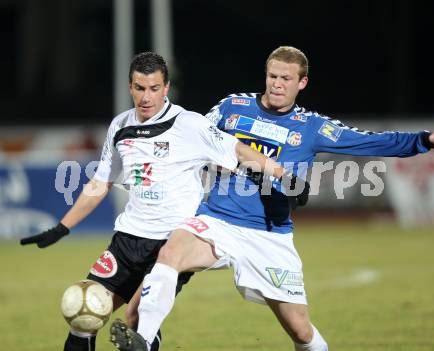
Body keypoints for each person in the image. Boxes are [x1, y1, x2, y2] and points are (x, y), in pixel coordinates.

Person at [109, 46, 434, 351]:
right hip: (216, 220)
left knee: (300, 332)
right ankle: (143, 340)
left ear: (302, 82)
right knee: (172, 251)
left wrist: (424, 140)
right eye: (272, 76)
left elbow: (371, 142)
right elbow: (190, 138)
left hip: (269, 236)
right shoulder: (232, 108)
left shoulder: (311, 127)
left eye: (286, 78)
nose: (277, 84)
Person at [20, 51, 304, 351]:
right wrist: (62, 228)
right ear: (130, 87)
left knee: (136, 321)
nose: (146, 97)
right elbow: (99, 183)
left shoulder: (189, 124)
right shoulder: (120, 126)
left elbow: (240, 151)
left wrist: (285, 177)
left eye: (154, 88)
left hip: (172, 244)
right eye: (140, 88)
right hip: (127, 241)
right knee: (84, 317)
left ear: (166, 87)